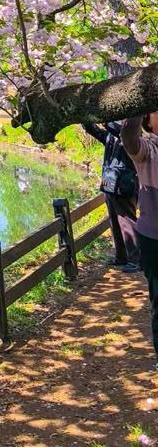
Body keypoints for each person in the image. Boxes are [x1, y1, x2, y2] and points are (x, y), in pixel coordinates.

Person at [121, 113, 158, 363]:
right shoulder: (148, 150)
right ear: (148, 120)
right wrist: (137, 101)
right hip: (154, 237)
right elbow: (128, 138)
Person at [82, 121, 140, 272]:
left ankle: (136, 260)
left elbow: (120, 131)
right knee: (114, 221)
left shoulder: (131, 136)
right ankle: (121, 257)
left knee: (127, 222)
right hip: (109, 182)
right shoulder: (109, 137)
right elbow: (95, 131)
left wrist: (106, 121)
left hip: (125, 183)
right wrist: (85, 120)